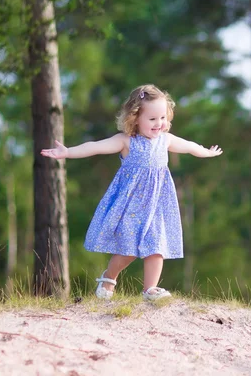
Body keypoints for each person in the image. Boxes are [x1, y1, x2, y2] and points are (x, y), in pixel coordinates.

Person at [40, 84, 223, 301]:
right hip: (131, 206)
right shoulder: (126, 141)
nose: (159, 124)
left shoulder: (166, 140)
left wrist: (206, 153)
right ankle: (109, 278)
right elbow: (95, 146)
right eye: (152, 119)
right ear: (135, 118)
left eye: (163, 117)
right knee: (128, 250)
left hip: (157, 205)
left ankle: (150, 289)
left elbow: (190, 146)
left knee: (156, 246)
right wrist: (68, 152)